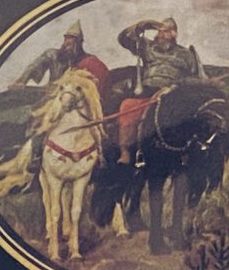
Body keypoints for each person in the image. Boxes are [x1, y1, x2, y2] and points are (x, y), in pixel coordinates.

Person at [10, 21, 110, 178]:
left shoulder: (88, 59)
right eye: (67, 39)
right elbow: (34, 66)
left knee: (94, 122)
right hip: (53, 97)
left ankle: (100, 157)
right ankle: (36, 156)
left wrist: (93, 82)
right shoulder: (52, 55)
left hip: (77, 100)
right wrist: (22, 80)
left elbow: (94, 77)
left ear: (80, 42)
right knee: (45, 121)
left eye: (73, 40)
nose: (68, 43)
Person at [116, 17, 203, 164]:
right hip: (148, 92)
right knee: (128, 106)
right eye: (160, 31)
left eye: (167, 31)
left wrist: (172, 88)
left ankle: (188, 151)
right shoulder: (146, 47)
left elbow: (193, 79)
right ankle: (125, 151)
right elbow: (124, 39)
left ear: (174, 34)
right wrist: (141, 25)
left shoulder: (186, 54)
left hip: (174, 94)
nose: (162, 35)